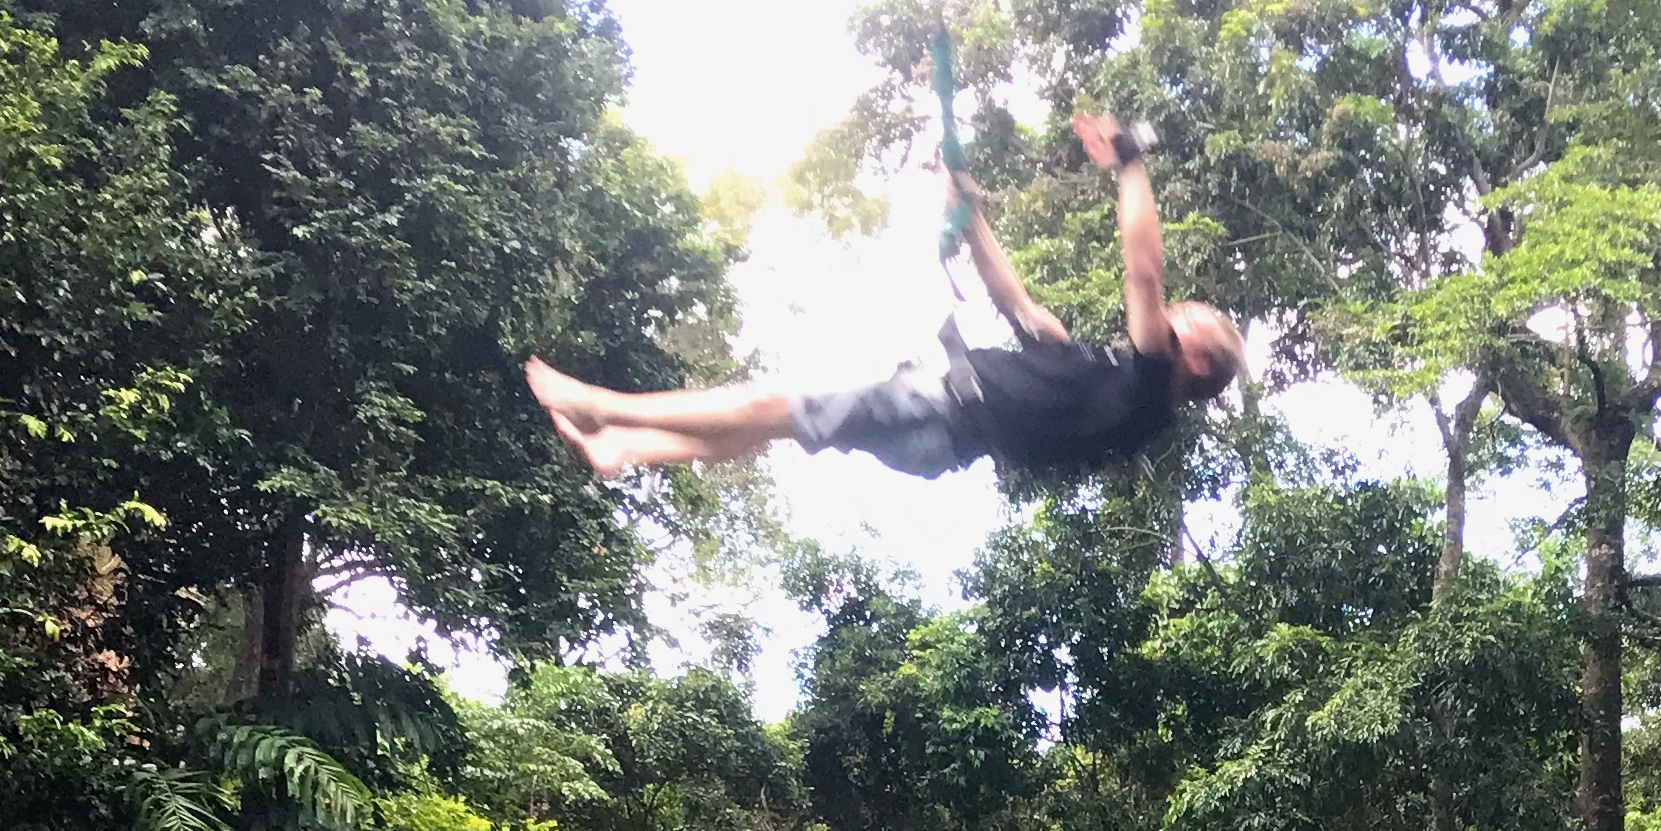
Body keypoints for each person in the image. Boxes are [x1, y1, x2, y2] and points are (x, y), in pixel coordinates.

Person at [525, 114, 1246, 491]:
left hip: (937, 406)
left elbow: (1142, 271)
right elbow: (1018, 303)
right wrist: (971, 212)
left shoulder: (1149, 390)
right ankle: (626, 449)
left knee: (770, 405)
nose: (1174, 310)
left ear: (1194, 361)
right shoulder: (1103, 383)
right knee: (785, 428)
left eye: (1189, 320)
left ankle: (603, 406)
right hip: (944, 443)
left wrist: (1130, 159)